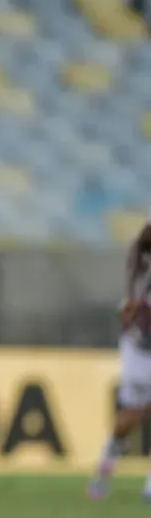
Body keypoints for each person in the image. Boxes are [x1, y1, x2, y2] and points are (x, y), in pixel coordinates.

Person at [89, 211, 151, 501]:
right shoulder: (141, 279)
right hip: (142, 349)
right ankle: (105, 467)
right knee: (131, 415)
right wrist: (131, 306)